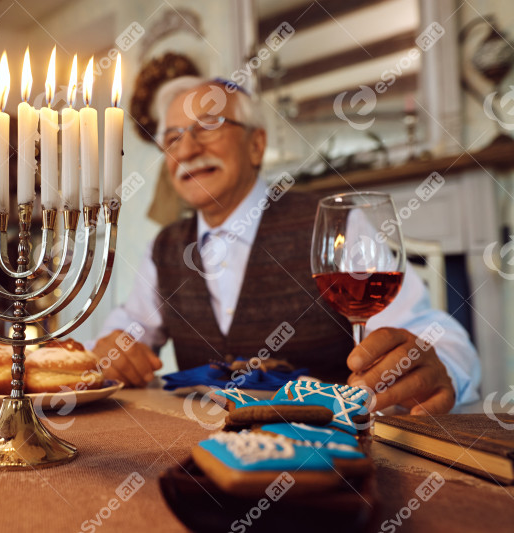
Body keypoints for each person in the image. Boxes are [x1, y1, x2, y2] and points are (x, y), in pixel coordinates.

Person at [92, 76, 481, 415]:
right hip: (204, 455)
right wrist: (113, 350)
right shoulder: (164, 246)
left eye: (207, 126)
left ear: (256, 145)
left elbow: (435, 336)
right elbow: (129, 331)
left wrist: (437, 365)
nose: (187, 150)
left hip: (328, 455)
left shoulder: (333, 222)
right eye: (173, 138)